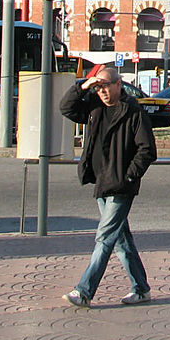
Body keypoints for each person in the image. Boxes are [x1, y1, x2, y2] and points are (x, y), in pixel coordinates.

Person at [59, 67, 157, 308]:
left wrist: (129, 177)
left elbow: (147, 150)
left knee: (104, 238)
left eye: (106, 86)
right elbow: (66, 108)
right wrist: (83, 85)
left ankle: (84, 291)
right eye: (98, 87)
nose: (102, 91)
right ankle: (141, 288)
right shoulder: (94, 107)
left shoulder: (133, 112)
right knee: (121, 239)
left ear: (118, 85)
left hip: (121, 186)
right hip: (101, 181)